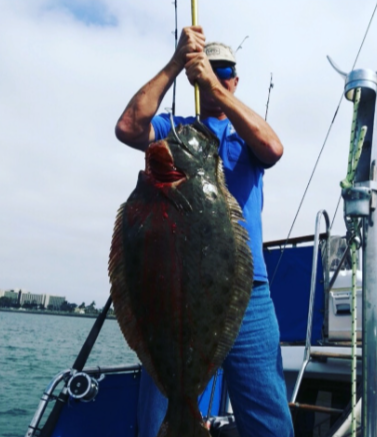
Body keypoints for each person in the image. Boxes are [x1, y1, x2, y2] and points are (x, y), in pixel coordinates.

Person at [115, 26, 294, 437]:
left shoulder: (244, 133)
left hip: (249, 290)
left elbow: (274, 148)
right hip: (171, 292)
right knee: (156, 419)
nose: (216, 74)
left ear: (235, 78)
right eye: (209, 67)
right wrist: (177, 63)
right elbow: (128, 127)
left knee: (269, 420)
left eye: (225, 69)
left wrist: (214, 86)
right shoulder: (174, 133)